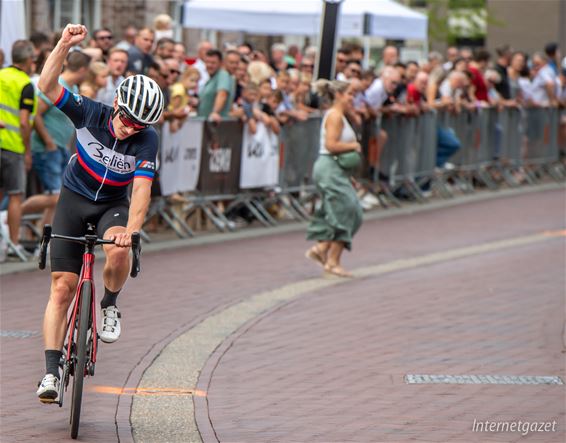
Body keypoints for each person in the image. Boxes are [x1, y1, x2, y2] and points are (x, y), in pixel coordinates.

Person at [35, 24, 163, 403]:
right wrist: (62, 45)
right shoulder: (90, 111)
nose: (129, 128)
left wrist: (131, 230)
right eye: (126, 118)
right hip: (74, 198)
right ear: (118, 103)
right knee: (62, 287)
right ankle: (50, 372)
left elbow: (142, 189)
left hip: (113, 204)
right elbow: (46, 85)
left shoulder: (146, 140)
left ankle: (109, 305)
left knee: (120, 249)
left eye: (138, 125)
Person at [21, 51, 90, 228]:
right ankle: (10, 214)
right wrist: (48, 141)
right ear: (83, 69)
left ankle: (43, 239)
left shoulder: (73, 89)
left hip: (60, 148)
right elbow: (36, 114)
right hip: (47, 148)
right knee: (56, 195)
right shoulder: (57, 85)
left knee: (60, 196)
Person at [305, 80, 363, 278]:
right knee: (348, 210)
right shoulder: (335, 116)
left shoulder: (340, 116)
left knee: (342, 209)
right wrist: (353, 146)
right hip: (329, 167)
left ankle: (322, 248)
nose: (352, 99)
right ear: (338, 95)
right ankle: (332, 260)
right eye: (350, 94)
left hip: (336, 169)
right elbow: (331, 145)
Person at [0, 40, 37, 259]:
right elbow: (24, 122)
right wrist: (27, 150)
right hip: (13, 146)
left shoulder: (1, 75)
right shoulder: (25, 84)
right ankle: (13, 245)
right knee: (15, 196)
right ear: (29, 60)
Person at [197, 49, 234, 121]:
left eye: (213, 63)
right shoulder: (211, 78)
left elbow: (222, 94)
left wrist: (215, 112)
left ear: (221, 63)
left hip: (216, 124)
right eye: (207, 62)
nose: (209, 65)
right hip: (205, 123)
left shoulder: (223, 75)